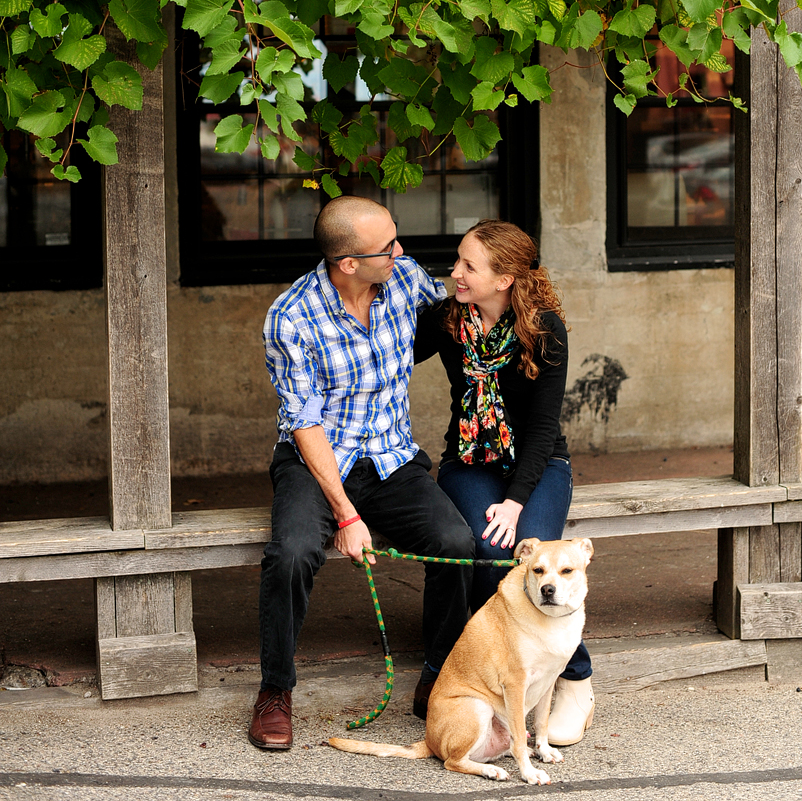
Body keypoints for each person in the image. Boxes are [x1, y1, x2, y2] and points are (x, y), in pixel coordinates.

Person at [251, 195, 475, 750]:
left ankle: (438, 676)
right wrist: (346, 514)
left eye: (397, 239)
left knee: (456, 544)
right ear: (347, 262)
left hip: (392, 456)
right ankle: (275, 689)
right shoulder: (291, 317)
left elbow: (461, 313)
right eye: (388, 246)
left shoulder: (403, 279)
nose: (400, 252)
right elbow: (303, 424)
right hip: (317, 460)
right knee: (293, 553)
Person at [413, 219, 595, 746]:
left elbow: (542, 431)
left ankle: (575, 680)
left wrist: (516, 502)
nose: (455, 273)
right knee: (488, 555)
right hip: (470, 460)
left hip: (537, 466)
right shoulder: (449, 321)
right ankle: (463, 669)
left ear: (505, 278)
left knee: (524, 556)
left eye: (469, 266)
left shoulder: (544, 330)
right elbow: (389, 350)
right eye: (458, 262)